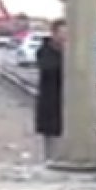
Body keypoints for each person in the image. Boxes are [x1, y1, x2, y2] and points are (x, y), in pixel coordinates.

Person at [35, 19, 66, 160]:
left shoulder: (73, 52)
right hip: (51, 104)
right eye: (62, 33)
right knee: (52, 143)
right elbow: (49, 68)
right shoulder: (45, 51)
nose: (65, 37)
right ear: (54, 34)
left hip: (69, 107)